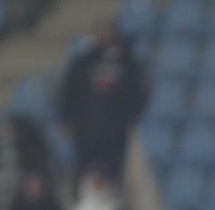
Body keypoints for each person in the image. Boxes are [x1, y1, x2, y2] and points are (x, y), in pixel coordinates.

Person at [58, 19, 148, 179]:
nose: (106, 35)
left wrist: (127, 118)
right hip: (86, 131)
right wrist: (67, 119)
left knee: (113, 175)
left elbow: (139, 94)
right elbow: (69, 91)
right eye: (102, 31)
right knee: (84, 174)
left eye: (109, 30)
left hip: (115, 132)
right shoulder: (83, 62)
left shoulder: (128, 62)